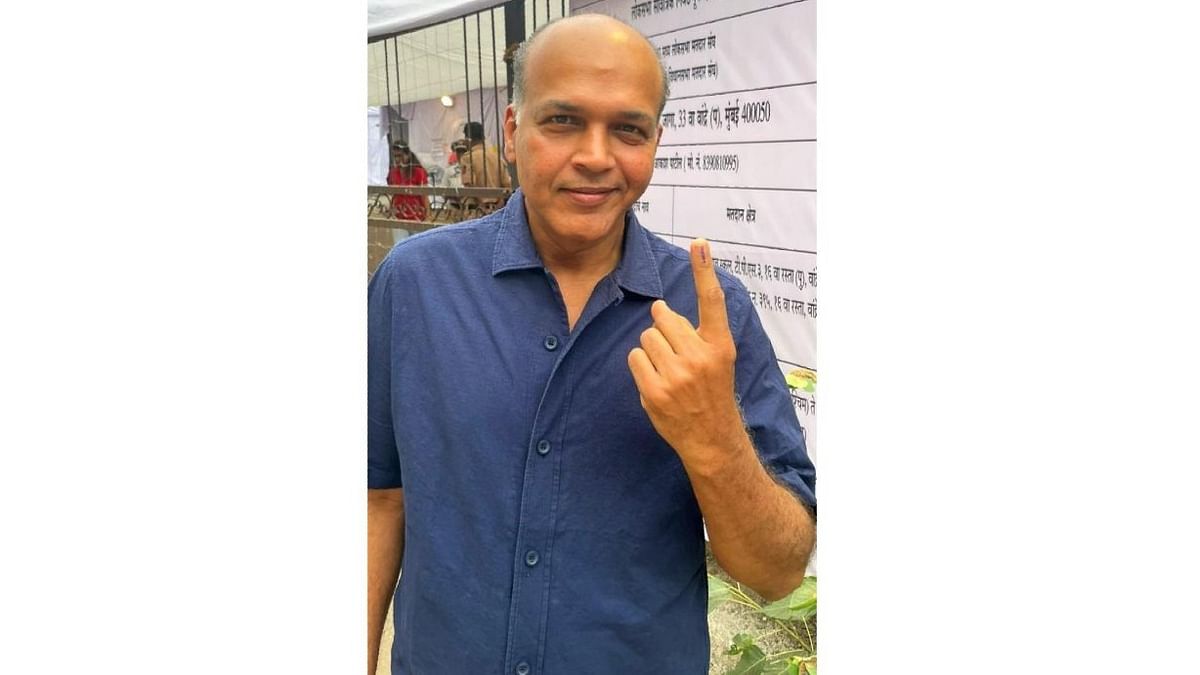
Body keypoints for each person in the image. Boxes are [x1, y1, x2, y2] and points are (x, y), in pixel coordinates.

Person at [368, 14, 815, 675]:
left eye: (627, 129)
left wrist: (714, 438)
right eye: (564, 121)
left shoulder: (707, 314)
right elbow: (380, 497)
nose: (597, 155)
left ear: (655, 143)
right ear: (516, 130)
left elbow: (777, 571)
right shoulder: (416, 285)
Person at [459, 120, 513, 211]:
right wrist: (498, 203)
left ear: (468, 138)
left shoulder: (467, 158)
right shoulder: (496, 157)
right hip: (498, 207)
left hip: (476, 209)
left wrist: (482, 205)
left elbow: (469, 184)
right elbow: (507, 184)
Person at [386, 142, 429, 221]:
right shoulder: (393, 172)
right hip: (399, 215)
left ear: (408, 155)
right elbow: (392, 194)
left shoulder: (419, 172)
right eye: (395, 156)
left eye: (400, 156)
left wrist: (428, 216)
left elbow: (424, 196)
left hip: (417, 215)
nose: (397, 159)